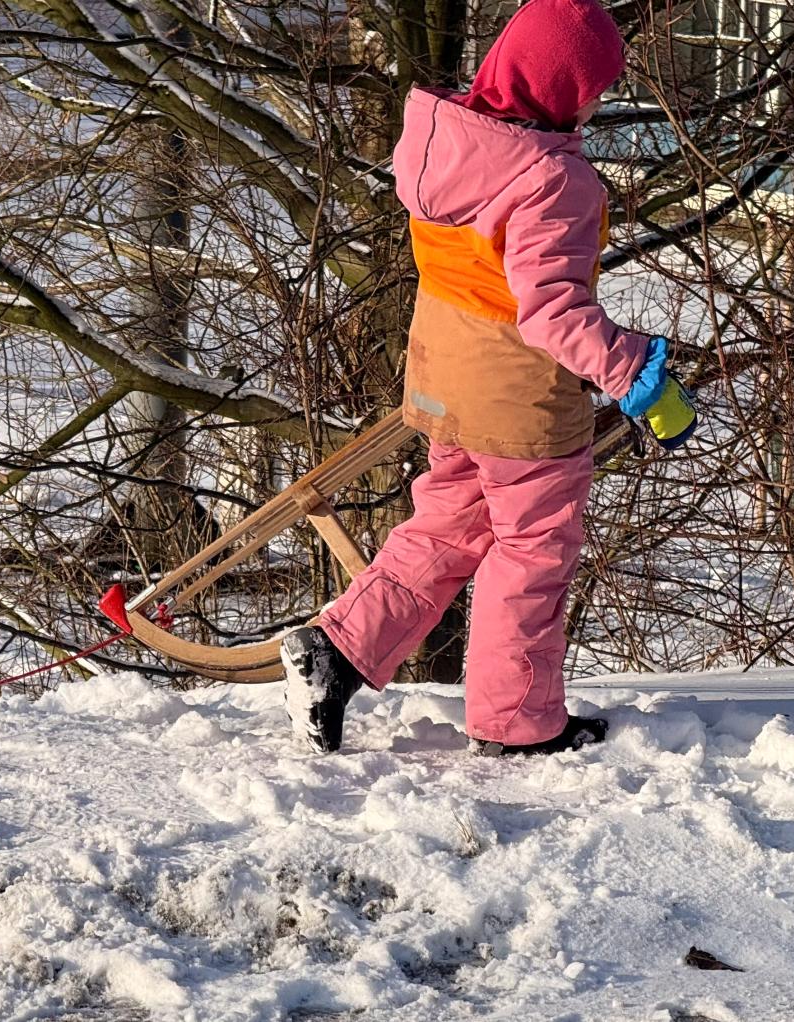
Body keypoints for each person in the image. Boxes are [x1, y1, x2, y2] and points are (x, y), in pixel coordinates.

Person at [278, 0, 697, 757]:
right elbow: (552, 314)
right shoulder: (553, 179)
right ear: (560, 83)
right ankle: (517, 721)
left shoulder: (444, 142)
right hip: (517, 395)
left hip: (444, 373)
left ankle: (335, 651)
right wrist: (636, 373)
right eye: (593, 85)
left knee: (447, 526)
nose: (597, 102)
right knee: (532, 548)